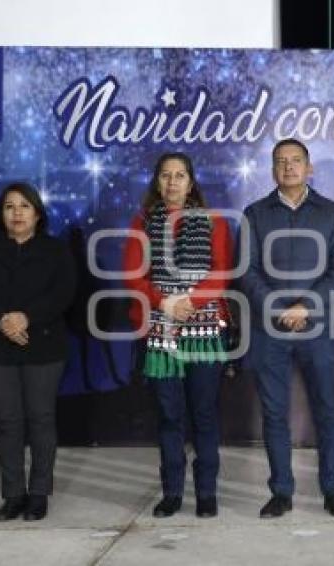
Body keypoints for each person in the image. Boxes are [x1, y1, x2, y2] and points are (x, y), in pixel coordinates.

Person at [238, 138, 334, 518]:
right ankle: (281, 492)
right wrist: (278, 308)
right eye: (280, 162)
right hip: (268, 330)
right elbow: (246, 271)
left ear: (310, 168)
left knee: (326, 410)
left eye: (296, 161)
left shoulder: (332, 213)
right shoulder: (255, 214)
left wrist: (307, 305)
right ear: (273, 170)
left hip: (317, 326)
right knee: (274, 414)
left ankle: (333, 490)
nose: (288, 167)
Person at [122, 152, 231, 519]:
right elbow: (133, 275)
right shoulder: (142, 223)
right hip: (160, 329)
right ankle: (171, 493)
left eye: (179, 175)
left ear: (190, 182)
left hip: (203, 328)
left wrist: (190, 300)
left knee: (204, 413)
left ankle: (206, 493)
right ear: (157, 182)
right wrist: (165, 302)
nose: (172, 182)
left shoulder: (214, 223)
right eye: (166, 176)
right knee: (169, 415)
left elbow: (220, 273)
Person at [0, 182, 76, 521]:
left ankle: (39, 493)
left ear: (37, 213)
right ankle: (13, 495)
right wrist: (2, 321)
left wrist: (26, 317)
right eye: (9, 207)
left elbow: (64, 292)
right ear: (1, 213)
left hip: (44, 346)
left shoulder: (56, 250)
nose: (17, 213)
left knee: (41, 419)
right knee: (8, 422)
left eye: (24, 206)